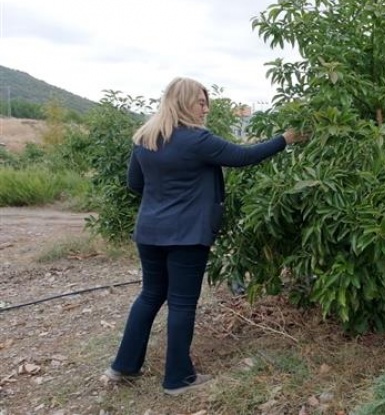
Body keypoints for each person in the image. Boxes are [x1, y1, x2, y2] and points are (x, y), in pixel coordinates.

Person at [103, 77, 308, 395]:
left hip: (149, 232)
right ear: (184, 102)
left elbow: (135, 184)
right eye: (201, 102)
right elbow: (243, 157)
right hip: (187, 235)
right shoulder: (196, 140)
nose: (206, 108)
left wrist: (165, 197)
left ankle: (124, 366)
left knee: (150, 295)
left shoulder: (145, 137)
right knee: (182, 303)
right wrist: (285, 139)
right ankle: (178, 378)